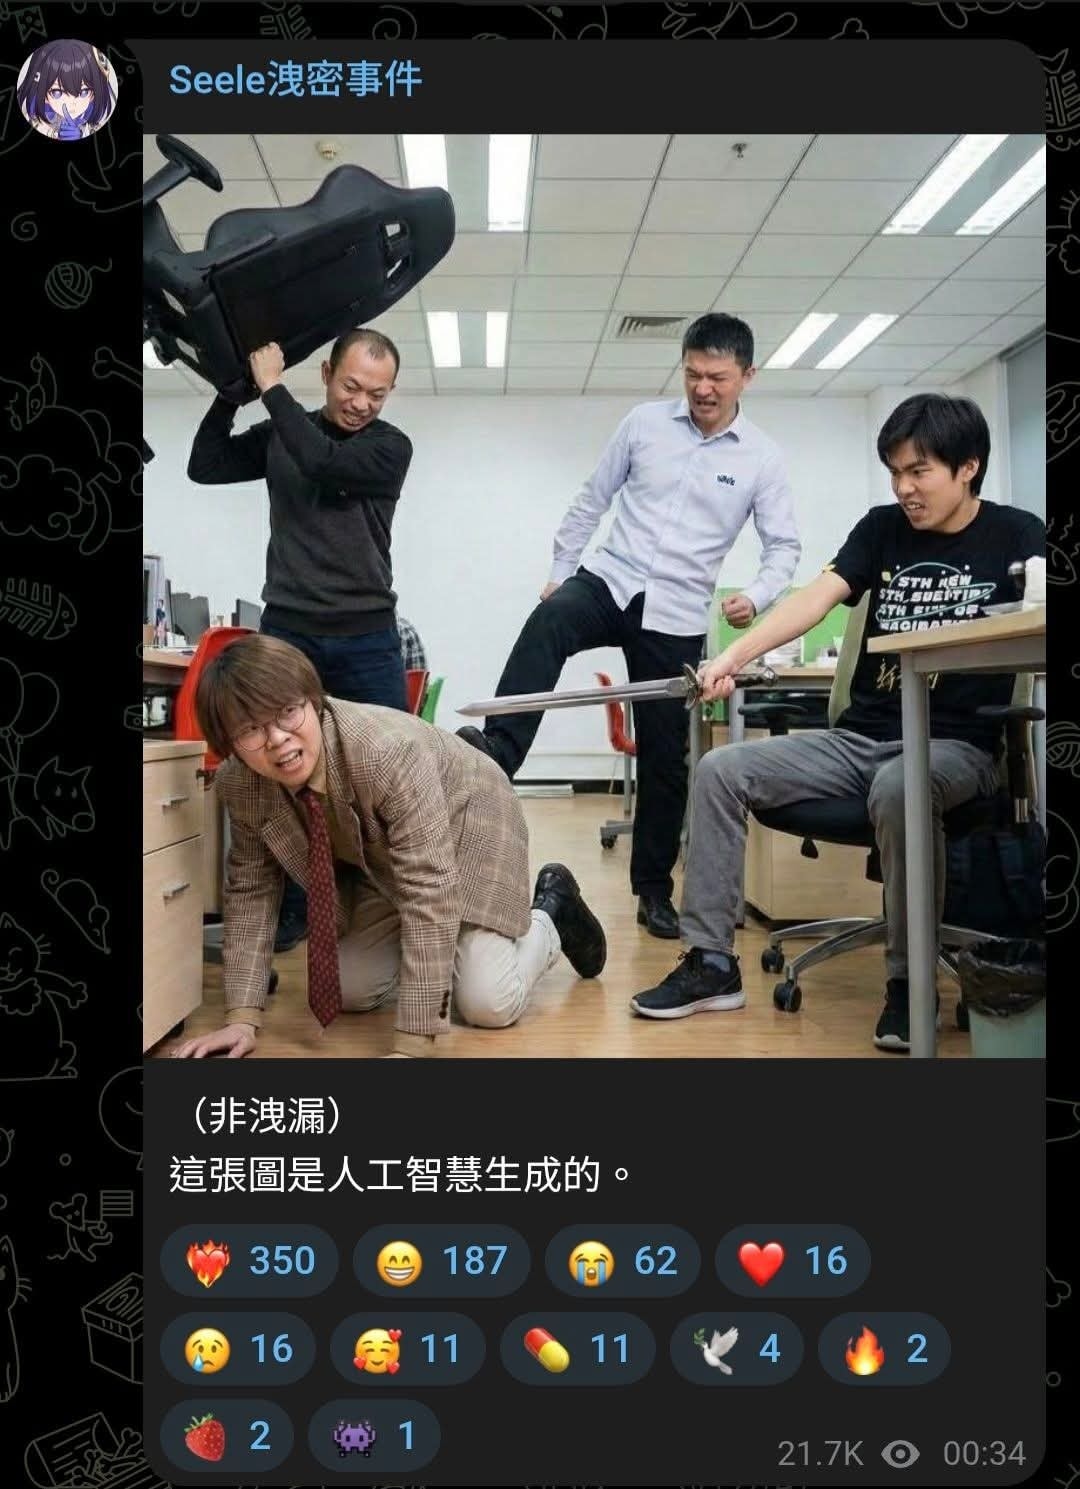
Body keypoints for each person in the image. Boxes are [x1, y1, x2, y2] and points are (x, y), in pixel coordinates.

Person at [630, 393, 1046, 1052]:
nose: (904, 488)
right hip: (859, 740)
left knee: (902, 786)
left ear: (968, 467)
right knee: (720, 769)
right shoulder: (881, 529)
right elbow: (815, 598)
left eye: (919, 471)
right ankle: (710, 963)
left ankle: (909, 984)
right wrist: (732, 657)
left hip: (955, 745)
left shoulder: (1017, 534)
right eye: (895, 472)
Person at [460, 313, 800, 939]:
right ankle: (499, 753)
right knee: (548, 622)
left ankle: (653, 890)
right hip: (611, 580)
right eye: (693, 374)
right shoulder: (644, 423)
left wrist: (755, 596)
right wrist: (561, 572)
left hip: (677, 611)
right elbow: (592, 498)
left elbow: (784, 547)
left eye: (717, 377)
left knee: (667, 759)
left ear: (747, 376)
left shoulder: (762, 458)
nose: (702, 388)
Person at [170, 635, 606, 1060]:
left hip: (471, 818)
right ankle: (442, 950)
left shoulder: (385, 753)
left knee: (486, 1001)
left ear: (313, 700)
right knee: (351, 990)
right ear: (229, 745)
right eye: (250, 730)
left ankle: (552, 912)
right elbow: (251, 891)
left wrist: (411, 1045)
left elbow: (428, 887)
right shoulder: (240, 782)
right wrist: (242, 1018)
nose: (277, 738)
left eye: (287, 712)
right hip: (381, 853)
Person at [188, 329, 413, 952]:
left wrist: (271, 388)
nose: (362, 403)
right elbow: (205, 465)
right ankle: (293, 911)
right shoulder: (282, 435)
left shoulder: (390, 448)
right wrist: (231, 395)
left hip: (366, 636)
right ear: (326, 375)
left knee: (385, 775)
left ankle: (390, 910)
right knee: (278, 775)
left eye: (377, 393)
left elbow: (322, 462)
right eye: (352, 386)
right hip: (289, 632)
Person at [17, 39, 117, 140]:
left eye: (84, 92)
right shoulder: (35, 116)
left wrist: (81, 135)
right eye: (56, 92)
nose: (72, 103)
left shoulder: (96, 115)